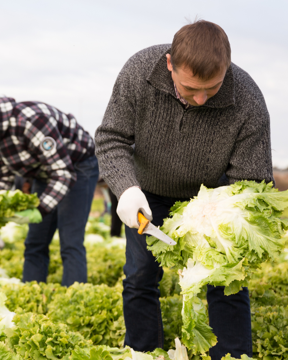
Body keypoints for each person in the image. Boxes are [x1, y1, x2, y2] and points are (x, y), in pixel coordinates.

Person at [95, 20, 273, 359]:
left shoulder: (248, 100)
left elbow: (253, 180)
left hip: (213, 199)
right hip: (147, 194)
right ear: (169, 65)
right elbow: (111, 137)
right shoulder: (138, 72)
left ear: (227, 68)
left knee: (225, 281)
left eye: (213, 87)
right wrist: (126, 188)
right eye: (191, 88)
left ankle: (233, 356)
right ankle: (143, 352)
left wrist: (225, 218)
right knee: (140, 276)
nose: (202, 98)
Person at [0, 94, 98, 287]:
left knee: (70, 241)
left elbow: (63, 173)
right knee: (35, 242)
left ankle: (74, 296)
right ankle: (31, 296)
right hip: (43, 172)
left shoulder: (31, 121)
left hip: (79, 166)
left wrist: (40, 209)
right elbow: (2, 177)